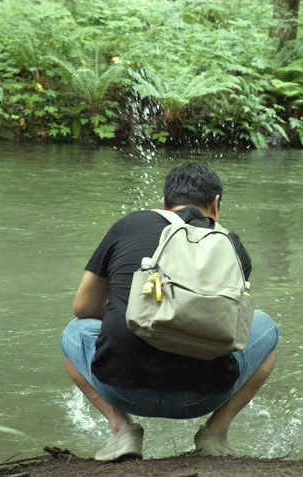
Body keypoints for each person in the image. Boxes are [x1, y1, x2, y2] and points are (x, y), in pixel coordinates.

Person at [61, 162, 279, 462]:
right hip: (203, 397)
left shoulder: (129, 224)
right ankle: (215, 433)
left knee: (73, 331)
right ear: (216, 203)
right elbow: (231, 323)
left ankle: (121, 428)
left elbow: (82, 308)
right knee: (267, 327)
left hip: (120, 389)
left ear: (163, 204)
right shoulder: (230, 244)